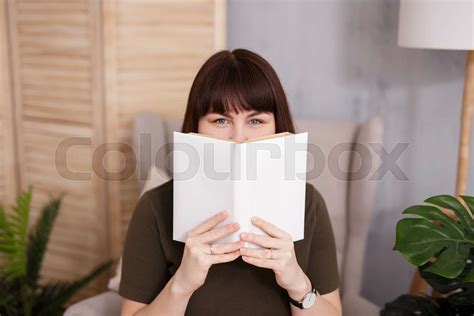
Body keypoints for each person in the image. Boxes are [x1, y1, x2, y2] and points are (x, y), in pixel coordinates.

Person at [119, 49, 342, 315]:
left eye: (256, 120)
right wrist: (182, 284)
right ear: (197, 126)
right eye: (221, 120)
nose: (238, 138)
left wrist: (297, 284)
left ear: (277, 126)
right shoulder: (155, 207)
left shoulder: (308, 203)